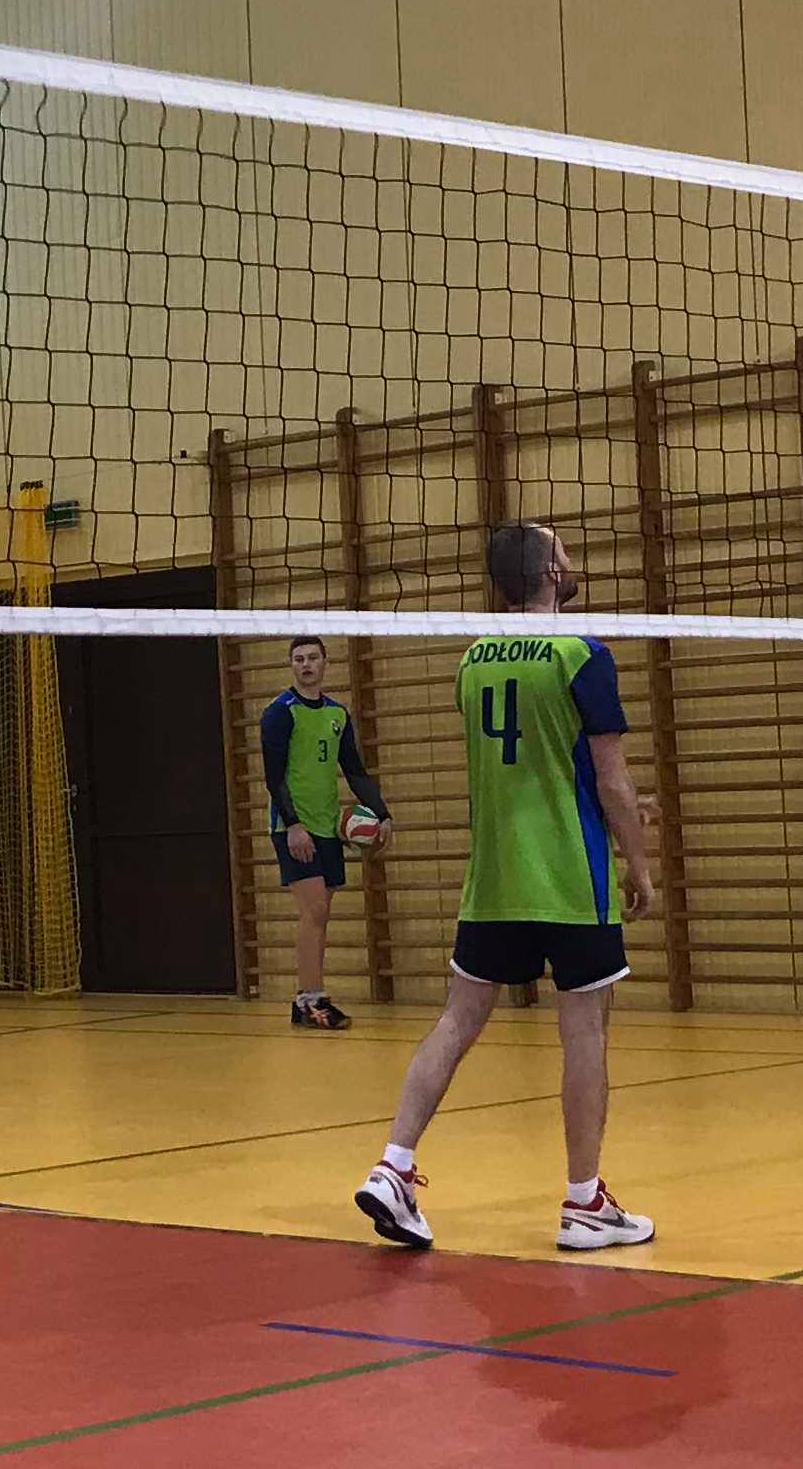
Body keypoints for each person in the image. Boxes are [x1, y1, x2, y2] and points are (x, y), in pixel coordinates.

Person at [350, 523, 661, 1257]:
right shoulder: (581, 654)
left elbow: (524, 764)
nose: (574, 560)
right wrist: (639, 862)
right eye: (566, 551)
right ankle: (584, 1203)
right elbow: (610, 779)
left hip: (492, 877)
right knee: (584, 1030)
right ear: (550, 570)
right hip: (568, 875)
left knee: (456, 1021)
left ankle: (393, 1165)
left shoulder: (471, 661)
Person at [260, 635, 391, 1029]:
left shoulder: (337, 714)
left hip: (328, 826)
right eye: (298, 659)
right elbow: (273, 778)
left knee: (322, 914)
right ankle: (309, 1001)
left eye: (312, 658)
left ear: (324, 663)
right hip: (293, 828)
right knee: (313, 910)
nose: (306, 665)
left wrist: (382, 813)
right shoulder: (279, 713)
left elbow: (354, 770)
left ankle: (309, 997)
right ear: (291, 666)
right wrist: (294, 825)